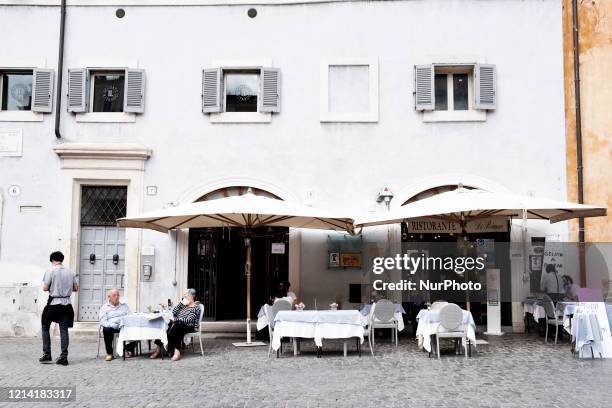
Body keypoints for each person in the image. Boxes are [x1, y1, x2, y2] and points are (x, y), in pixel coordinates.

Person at [40, 251, 78, 366]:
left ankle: (47, 354)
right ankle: (64, 356)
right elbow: (76, 288)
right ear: (62, 259)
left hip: (53, 303)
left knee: (45, 326)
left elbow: (45, 288)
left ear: (52, 260)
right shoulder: (70, 272)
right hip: (66, 304)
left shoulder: (50, 271)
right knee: (63, 330)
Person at [150, 289, 200, 361]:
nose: (185, 298)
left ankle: (176, 352)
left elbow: (189, 320)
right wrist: (181, 303)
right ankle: (159, 350)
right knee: (165, 326)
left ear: (192, 296)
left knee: (177, 326)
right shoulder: (184, 305)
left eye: (187, 296)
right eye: (184, 296)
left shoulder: (196, 308)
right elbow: (173, 312)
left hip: (189, 326)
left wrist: (176, 320)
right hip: (177, 324)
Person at [99, 288, 136, 361]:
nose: (117, 297)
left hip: (123, 326)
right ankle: (109, 353)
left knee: (136, 328)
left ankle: (126, 349)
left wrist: (126, 322)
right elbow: (103, 321)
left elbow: (130, 315)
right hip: (112, 327)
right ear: (109, 297)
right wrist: (112, 324)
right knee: (106, 329)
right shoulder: (104, 307)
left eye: (118, 295)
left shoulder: (124, 305)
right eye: (114, 295)